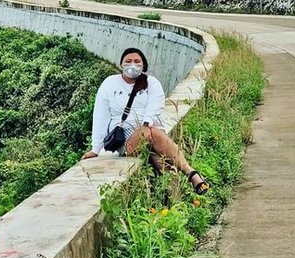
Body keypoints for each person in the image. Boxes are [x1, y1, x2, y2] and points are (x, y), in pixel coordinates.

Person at [82, 47, 209, 195]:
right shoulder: (110, 84)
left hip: (150, 132)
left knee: (158, 158)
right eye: (128, 61)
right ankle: (191, 173)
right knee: (151, 135)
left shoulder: (151, 83)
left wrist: (145, 124)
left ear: (143, 65)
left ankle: (173, 196)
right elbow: (100, 115)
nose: (132, 65)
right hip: (126, 140)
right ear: (121, 64)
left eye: (137, 61)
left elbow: (156, 104)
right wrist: (95, 149)